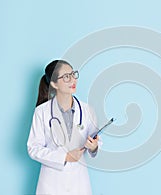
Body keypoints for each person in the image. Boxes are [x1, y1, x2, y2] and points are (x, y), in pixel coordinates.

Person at [27, 59, 99, 195]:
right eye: (66, 77)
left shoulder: (87, 110)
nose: (72, 80)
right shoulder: (42, 112)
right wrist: (64, 157)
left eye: (73, 74)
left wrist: (94, 146)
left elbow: (96, 142)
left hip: (79, 182)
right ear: (54, 84)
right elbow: (33, 148)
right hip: (51, 183)